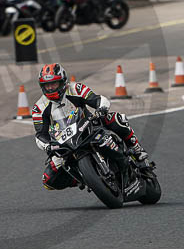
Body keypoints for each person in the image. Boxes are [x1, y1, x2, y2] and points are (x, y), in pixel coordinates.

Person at [31, 63, 155, 191]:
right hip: (64, 144)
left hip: (88, 126)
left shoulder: (76, 89)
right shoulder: (38, 108)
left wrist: (102, 108)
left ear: (62, 82)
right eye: (47, 85)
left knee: (115, 118)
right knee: (48, 181)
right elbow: (40, 134)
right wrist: (48, 146)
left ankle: (137, 149)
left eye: (54, 84)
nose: (50, 88)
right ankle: (82, 177)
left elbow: (98, 99)